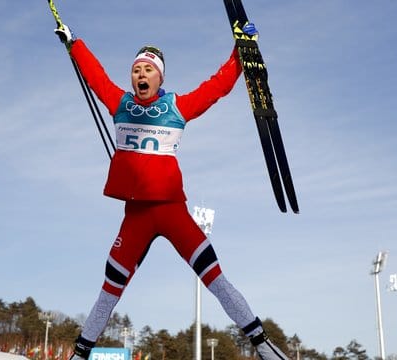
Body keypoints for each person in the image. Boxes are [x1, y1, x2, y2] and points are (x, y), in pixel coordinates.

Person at [54, 18, 290, 360]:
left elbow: (217, 87)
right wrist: (74, 43)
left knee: (216, 279)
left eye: (148, 70)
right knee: (109, 291)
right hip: (136, 216)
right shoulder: (120, 104)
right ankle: (80, 353)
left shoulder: (176, 107)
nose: (141, 75)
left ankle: (262, 344)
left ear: (160, 76)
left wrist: (242, 52)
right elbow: (95, 76)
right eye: (136, 70)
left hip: (171, 211)